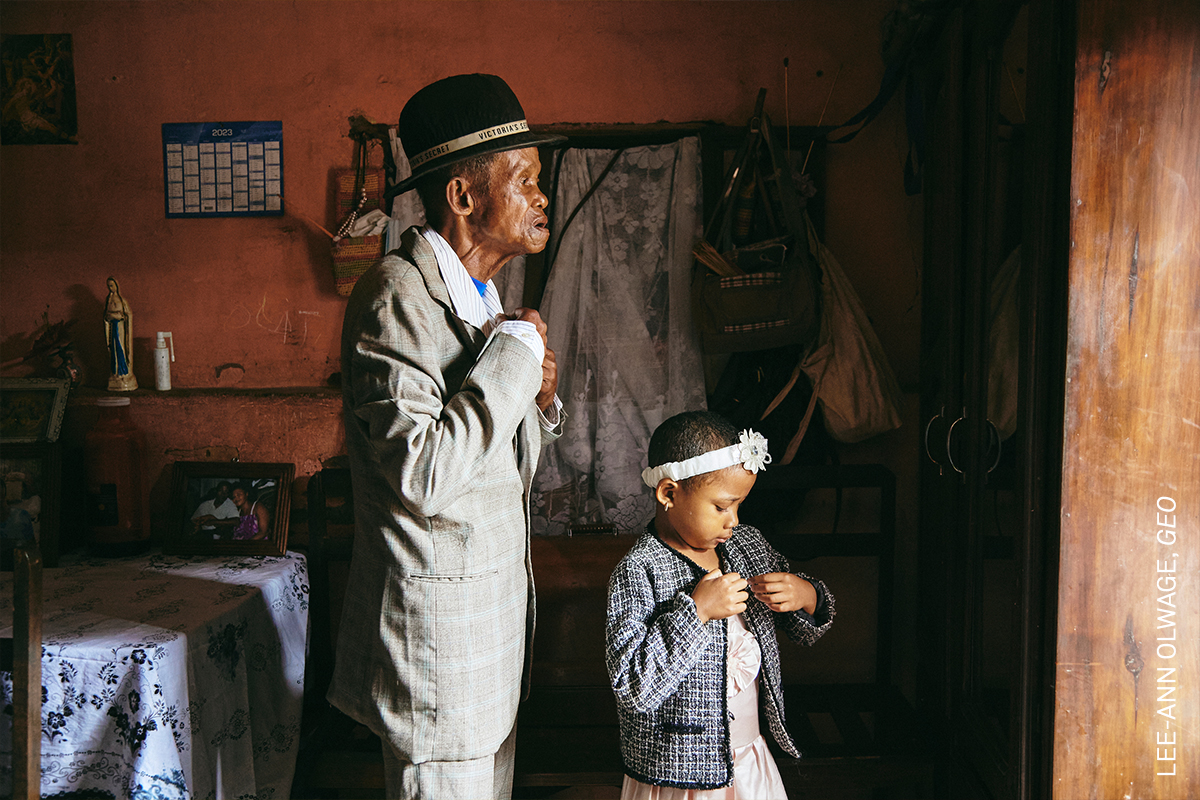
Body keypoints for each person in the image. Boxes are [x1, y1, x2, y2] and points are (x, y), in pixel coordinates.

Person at [328, 73, 567, 800]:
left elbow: (493, 466)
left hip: (484, 648)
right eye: (523, 180)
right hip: (438, 664)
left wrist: (540, 401)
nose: (542, 196)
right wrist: (513, 361)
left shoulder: (482, 298)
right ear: (463, 197)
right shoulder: (395, 297)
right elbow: (423, 474)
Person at [606, 410, 836, 799]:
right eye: (721, 506)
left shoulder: (746, 546)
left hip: (748, 763)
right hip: (676, 774)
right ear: (668, 493)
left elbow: (802, 627)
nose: (733, 520)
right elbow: (633, 686)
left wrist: (806, 595)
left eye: (739, 505)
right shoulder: (638, 571)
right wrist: (695, 613)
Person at [104, 276, 137, 391]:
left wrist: (119, 316)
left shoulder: (122, 300)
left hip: (120, 328)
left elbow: (128, 314)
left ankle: (124, 373)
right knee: (113, 349)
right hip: (112, 327)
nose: (110, 288)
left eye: (112, 285)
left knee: (121, 348)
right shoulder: (108, 300)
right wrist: (109, 318)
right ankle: (115, 373)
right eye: (108, 286)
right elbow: (106, 315)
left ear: (117, 286)